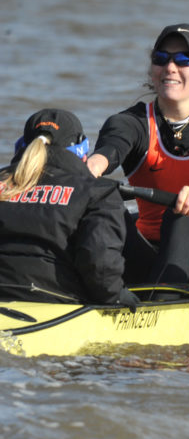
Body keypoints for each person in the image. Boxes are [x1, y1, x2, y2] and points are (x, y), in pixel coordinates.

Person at [87, 23, 189, 285]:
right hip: (150, 254)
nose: (170, 67)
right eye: (161, 58)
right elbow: (110, 150)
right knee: (103, 203)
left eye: (185, 60)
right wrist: (90, 169)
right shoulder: (130, 121)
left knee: (183, 217)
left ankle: (157, 301)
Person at [0, 109, 137, 306]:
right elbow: (99, 263)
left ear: (21, 145)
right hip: (56, 300)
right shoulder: (99, 191)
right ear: (82, 150)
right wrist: (115, 295)